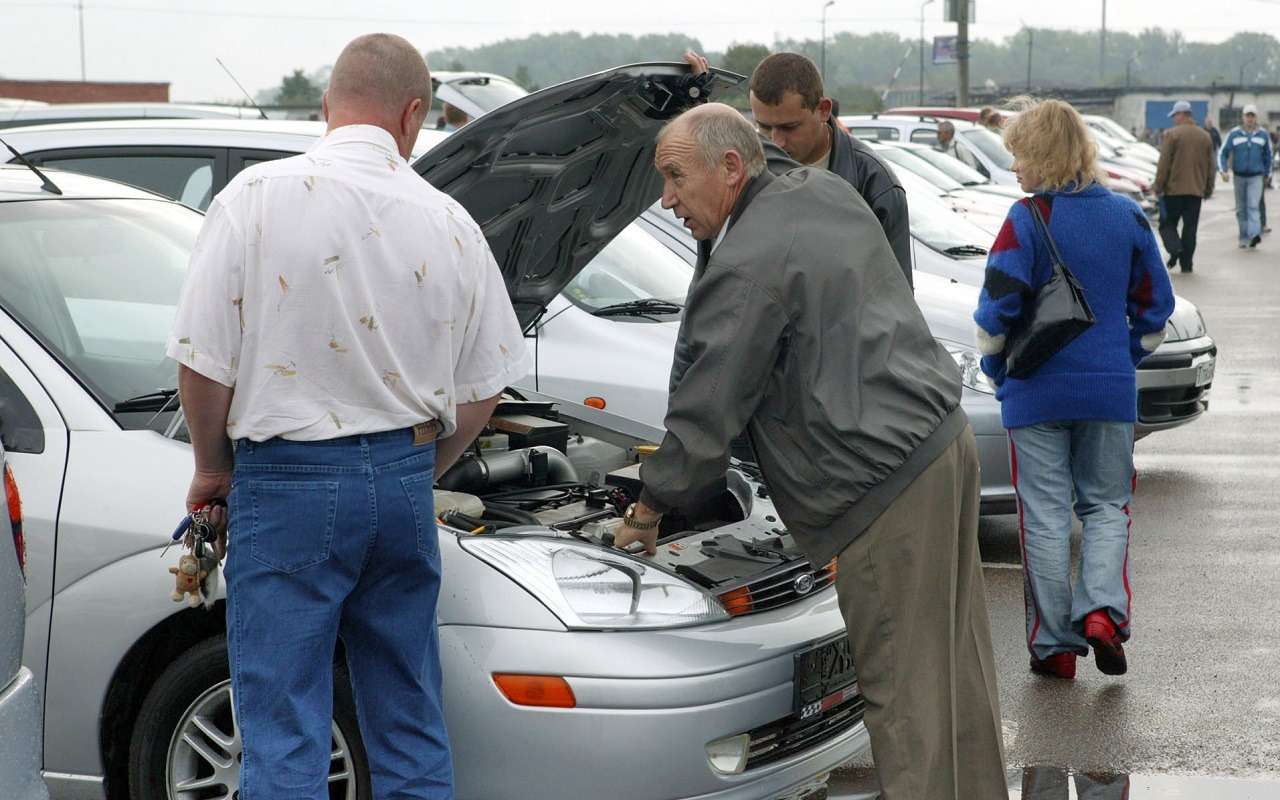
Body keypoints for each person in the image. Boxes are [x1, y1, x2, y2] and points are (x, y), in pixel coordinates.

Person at [168, 33, 530, 799]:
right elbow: (486, 383)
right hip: (400, 483)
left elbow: (203, 360)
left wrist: (210, 467)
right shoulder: (450, 222)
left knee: (285, 727)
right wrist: (417, 466)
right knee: (407, 716)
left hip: (288, 484)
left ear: (327, 106)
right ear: (413, 115)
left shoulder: (255, 200)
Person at [615, 102, 1007, 800]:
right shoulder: (819, 192)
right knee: (955, 669)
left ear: (730, 167)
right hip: (941, 444)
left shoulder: (749, 260)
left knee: (903, 693)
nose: (666, 198)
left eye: (675, 176)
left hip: (883, 484)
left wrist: (648, 508)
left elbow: (708, 405)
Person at [974, 99, 1175, 681]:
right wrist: (1120, 356)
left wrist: (998, 372)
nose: (1014, 169)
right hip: (1109, 391)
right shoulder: (1126, 216)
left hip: (1036, 394)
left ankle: (1055, 647)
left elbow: (995, 317)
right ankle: (1104, 615)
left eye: (1019, 156)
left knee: (1043, 516)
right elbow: (1155, 312)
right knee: (1107, 506)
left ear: (1042, 155)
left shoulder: (1026, 218)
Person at [747, 52, 913, 284]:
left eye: (789, 127)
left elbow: (897, 299)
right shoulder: (746, 172)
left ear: (823, 109)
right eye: (764, 127)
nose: (776, 142)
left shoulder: (875, 185)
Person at [1154, 100, 1215, 273]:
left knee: (1167, 224)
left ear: (1182, 115)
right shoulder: (1205, 136)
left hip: (1173, 191)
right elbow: (1211, 166)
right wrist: (1208, 188)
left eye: (1175, 115)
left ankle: (1175, 249)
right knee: (1190, 228)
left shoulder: (1172, 135)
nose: (1174, 119)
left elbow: (1164, 164)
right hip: (1196, 192)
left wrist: (1158, 185)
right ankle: (1187, 264)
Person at [1219, 103, 1273, 248]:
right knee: (1241, 208)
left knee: (1253, 206)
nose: (1250, 119)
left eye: (1252, 116)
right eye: (1247, 116)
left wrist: (1268, 174)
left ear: (1256, 118)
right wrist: (1223, 170)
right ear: (1243, 117)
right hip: (1239, 176)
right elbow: (1222, 153)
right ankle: (1243, 237)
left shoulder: (1263, 134)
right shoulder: (1234, 134)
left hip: (1256, 177)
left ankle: (1254, 234)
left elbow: (1269, 156)